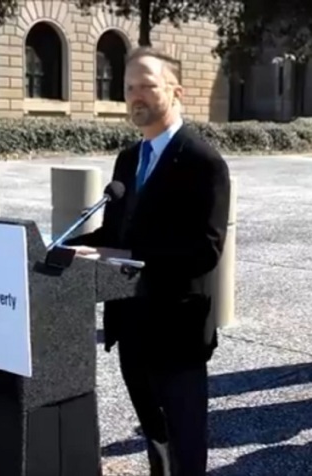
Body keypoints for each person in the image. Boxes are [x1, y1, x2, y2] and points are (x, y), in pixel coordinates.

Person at [65, 47, 231, 476]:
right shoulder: (128, 158)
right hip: (130, 323)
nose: (136, 96)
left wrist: (128, 255)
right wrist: (66, 248)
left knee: (184, 447)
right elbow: (114, 235)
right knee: (154, 439)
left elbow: (205, 250)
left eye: (147, 86)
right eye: (128, 88)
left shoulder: (202, 161)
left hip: (177, 330)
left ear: (177, 92)